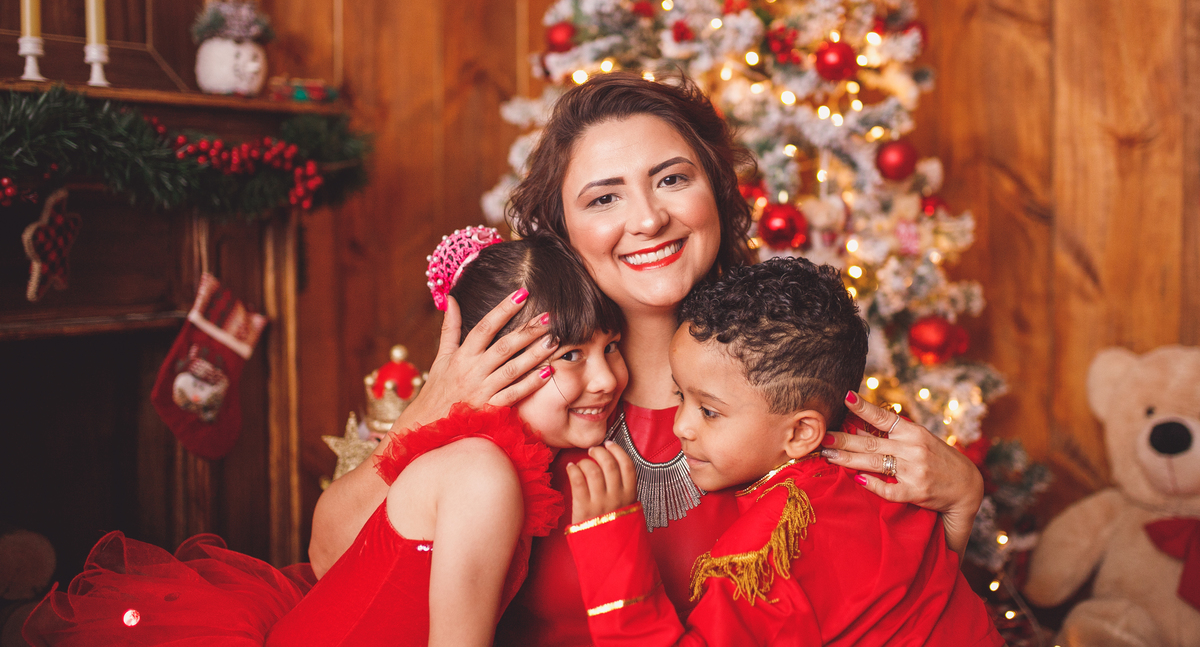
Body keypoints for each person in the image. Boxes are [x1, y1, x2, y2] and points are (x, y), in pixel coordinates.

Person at [310, 72, 987, 646]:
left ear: (716, 194)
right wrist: (432, 411)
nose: (648, 219)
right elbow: (331, 563)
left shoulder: (786, 371)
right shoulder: (523, 391)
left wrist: (960, 501)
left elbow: (887, 605)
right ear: (561, 231)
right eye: (604, 197)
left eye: (671, 179)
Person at [23, 231, 627, 647]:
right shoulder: (480, 473)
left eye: (612, 347)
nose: (606, 378)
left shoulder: (492, 462)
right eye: (570, 354)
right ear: (492, 360)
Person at [565, 257, 1004, 646]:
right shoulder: (881, 469)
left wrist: (608, 537)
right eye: (679, 396)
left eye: (710, 412)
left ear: (800, 433)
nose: (681, 426)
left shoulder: (771, 552)